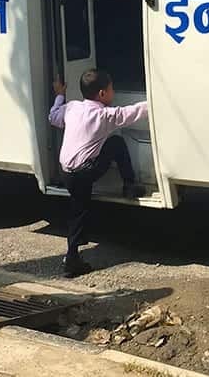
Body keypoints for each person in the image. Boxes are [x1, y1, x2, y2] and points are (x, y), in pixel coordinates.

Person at [49, 70, 148, 277]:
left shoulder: (72, 108)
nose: (113, 92)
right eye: (112, 89)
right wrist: (158, 101)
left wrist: (59, 94)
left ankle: (73, 254)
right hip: (84, 172)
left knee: (78, 209)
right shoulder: (104, 116)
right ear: (103, 94)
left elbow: (53, 117)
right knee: (79, 212)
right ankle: (72, 259)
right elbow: (133, 112)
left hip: (66, 170)